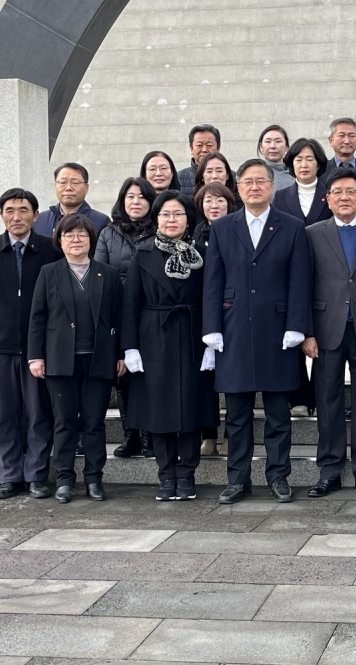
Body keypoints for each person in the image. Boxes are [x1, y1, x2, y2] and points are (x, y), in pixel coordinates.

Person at [203, 158, 311, 504]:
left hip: (277, 331)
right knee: (236, 415)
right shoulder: (222, 227)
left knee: (279, 413)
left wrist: (297, 324)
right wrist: (212, 328)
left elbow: (300, 280)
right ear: (238, 187)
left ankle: (278, 476)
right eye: (247, 182)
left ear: (272, 186)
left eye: (260, 181)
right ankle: (238, 479)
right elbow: (213, 281)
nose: (254, 187)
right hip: (233, 331)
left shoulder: (292, 226)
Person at [0, 188, 61, 499]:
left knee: (38, 414)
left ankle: (35, 475)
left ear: (36, 215)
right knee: (4, 415)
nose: (16, 217)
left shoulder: (50, 250)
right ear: (2, 214)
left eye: (23, 210)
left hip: (38, 350)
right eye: (9, 210)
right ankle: (9, 476)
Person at [302, 168, 356, 497]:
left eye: (350, 191)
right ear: (327, 198)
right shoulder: (312, 233)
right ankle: (329, 470)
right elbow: (304, 285)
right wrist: (307, 332)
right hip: (326, 328)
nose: (343, 197)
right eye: (337, 192)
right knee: (327, 400)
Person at [122, 190, 213, 501]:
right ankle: (166, 475)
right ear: (156, 218)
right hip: (153, 338)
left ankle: (186, 474)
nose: (171, 220)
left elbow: (210, 300)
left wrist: (211, 342)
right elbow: (130, 304)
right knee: (158, 411)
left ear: (188, 218)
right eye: (165, 214)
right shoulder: (143, 252)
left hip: (191, 336)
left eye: (178, 214)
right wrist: (130, 347)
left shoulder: (201, 254)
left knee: (190, 409)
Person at [28, 214, 124, 504]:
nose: (76, 240)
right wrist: (36, 356)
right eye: (69, 235)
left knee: (94, 423)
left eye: (82, 235)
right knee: (65, 421)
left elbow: (119, 317)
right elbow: (37, 318)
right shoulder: (49, 272)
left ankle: (94, 479)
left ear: (91, 240)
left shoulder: (106, 273)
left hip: (99, 359)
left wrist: (120, 353)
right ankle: (66, 480)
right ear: (60, 240)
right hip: (60, 360)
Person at [94, 177, 158, 459]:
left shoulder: (161, 231)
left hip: (152, 312)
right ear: (122, 201)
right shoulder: (108, 234)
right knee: (123, 377)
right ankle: (130, 434)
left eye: (142, 197)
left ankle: (149, 436)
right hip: (119, 313)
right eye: (130, 196)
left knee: (149, 374)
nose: (136, 202)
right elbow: (100, 275)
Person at [277, 137, 333, 418]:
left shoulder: (331, 194)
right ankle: (299, 396)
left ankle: (323, 396)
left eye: (309, 159)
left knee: (323, 338)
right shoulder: (281, 196)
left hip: (327, 273)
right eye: (298, 159)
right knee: (296, 332)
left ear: (319, 163)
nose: (304, 164)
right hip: (290, 275)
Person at [192, 182, 237, 457]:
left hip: (232, 313)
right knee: (204, 381)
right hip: (201, 314)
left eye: (220, 200)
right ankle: (208, 433)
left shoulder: (237, 230)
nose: (214, 206)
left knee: (231, 377)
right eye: (208, 201)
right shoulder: (194, 235)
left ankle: (231, 433)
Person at [34, 163, 109, 237]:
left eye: (75, 183)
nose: (68, 188)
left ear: (86, 187)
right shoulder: (39, 220)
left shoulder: (101, 222)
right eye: (63, 182)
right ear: (55, 186)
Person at [177, 124, 220, 193]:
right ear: (191, 149)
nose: (204, 150)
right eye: (199, 145)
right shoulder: (178, 178)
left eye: (209, 145)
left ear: (218, 148)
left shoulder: (232, 177)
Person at [258, 124, 296, 192]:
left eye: (278, 141)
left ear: (287, 146)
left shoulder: (296, 173)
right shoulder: (255, 172)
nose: (273, 146)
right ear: (261, 147)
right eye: (268, 141)